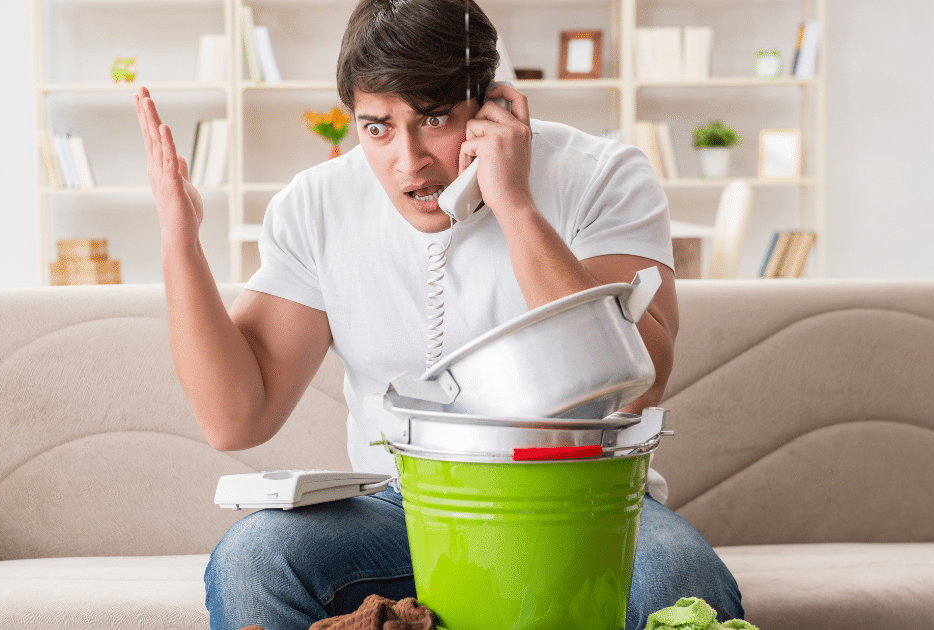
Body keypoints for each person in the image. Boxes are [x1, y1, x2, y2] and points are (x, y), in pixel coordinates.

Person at [134, 0, 743, 628]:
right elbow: (236, 419)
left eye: (434, 118)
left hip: (584, 505)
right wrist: (180, 243)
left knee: (681, 585)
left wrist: (513, 201)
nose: (409, 159)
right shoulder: (315, 205)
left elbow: (638, 381)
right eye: (377, 127)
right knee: (255, 558)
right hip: (401, 508)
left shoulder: (604, 176)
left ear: (493, 105)